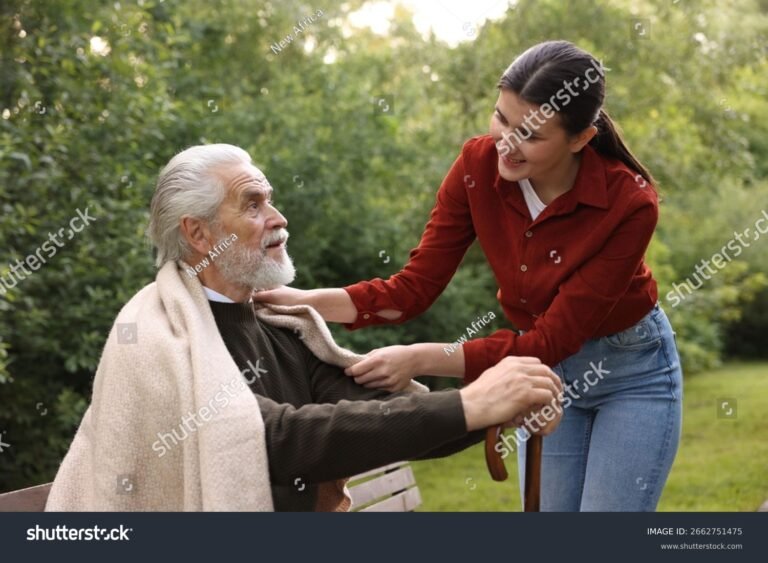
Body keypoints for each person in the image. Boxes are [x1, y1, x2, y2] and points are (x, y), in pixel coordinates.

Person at [253, 40, 683, 512]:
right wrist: (298, 300)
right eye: (501, 118)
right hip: (542, 375)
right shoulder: (478, 168)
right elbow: (411, 290)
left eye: (531, 135)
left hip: (630, 374)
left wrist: (419, 358)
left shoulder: (630, 203)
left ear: (580, 138)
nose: (506, 143)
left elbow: (549, 341)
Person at [46, 144, 563, 513]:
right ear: (199, 234)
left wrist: (500, 405)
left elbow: (373, 416)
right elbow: (274, 438)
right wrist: (473, 404)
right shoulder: (154, 337)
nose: (278, 217)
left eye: (270, 199)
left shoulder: (278, 327)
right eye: (253, 204)